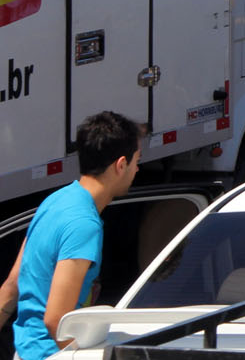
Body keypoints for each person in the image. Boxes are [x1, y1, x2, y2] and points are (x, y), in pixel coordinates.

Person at [1, 112, 141, 360]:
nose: (138, 169)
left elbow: (11, 287)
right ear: (121, 165)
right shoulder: (84, 225)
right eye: (136, 161)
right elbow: (57, 320)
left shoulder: (55, 201)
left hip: (24, 352)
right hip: (50, 354)